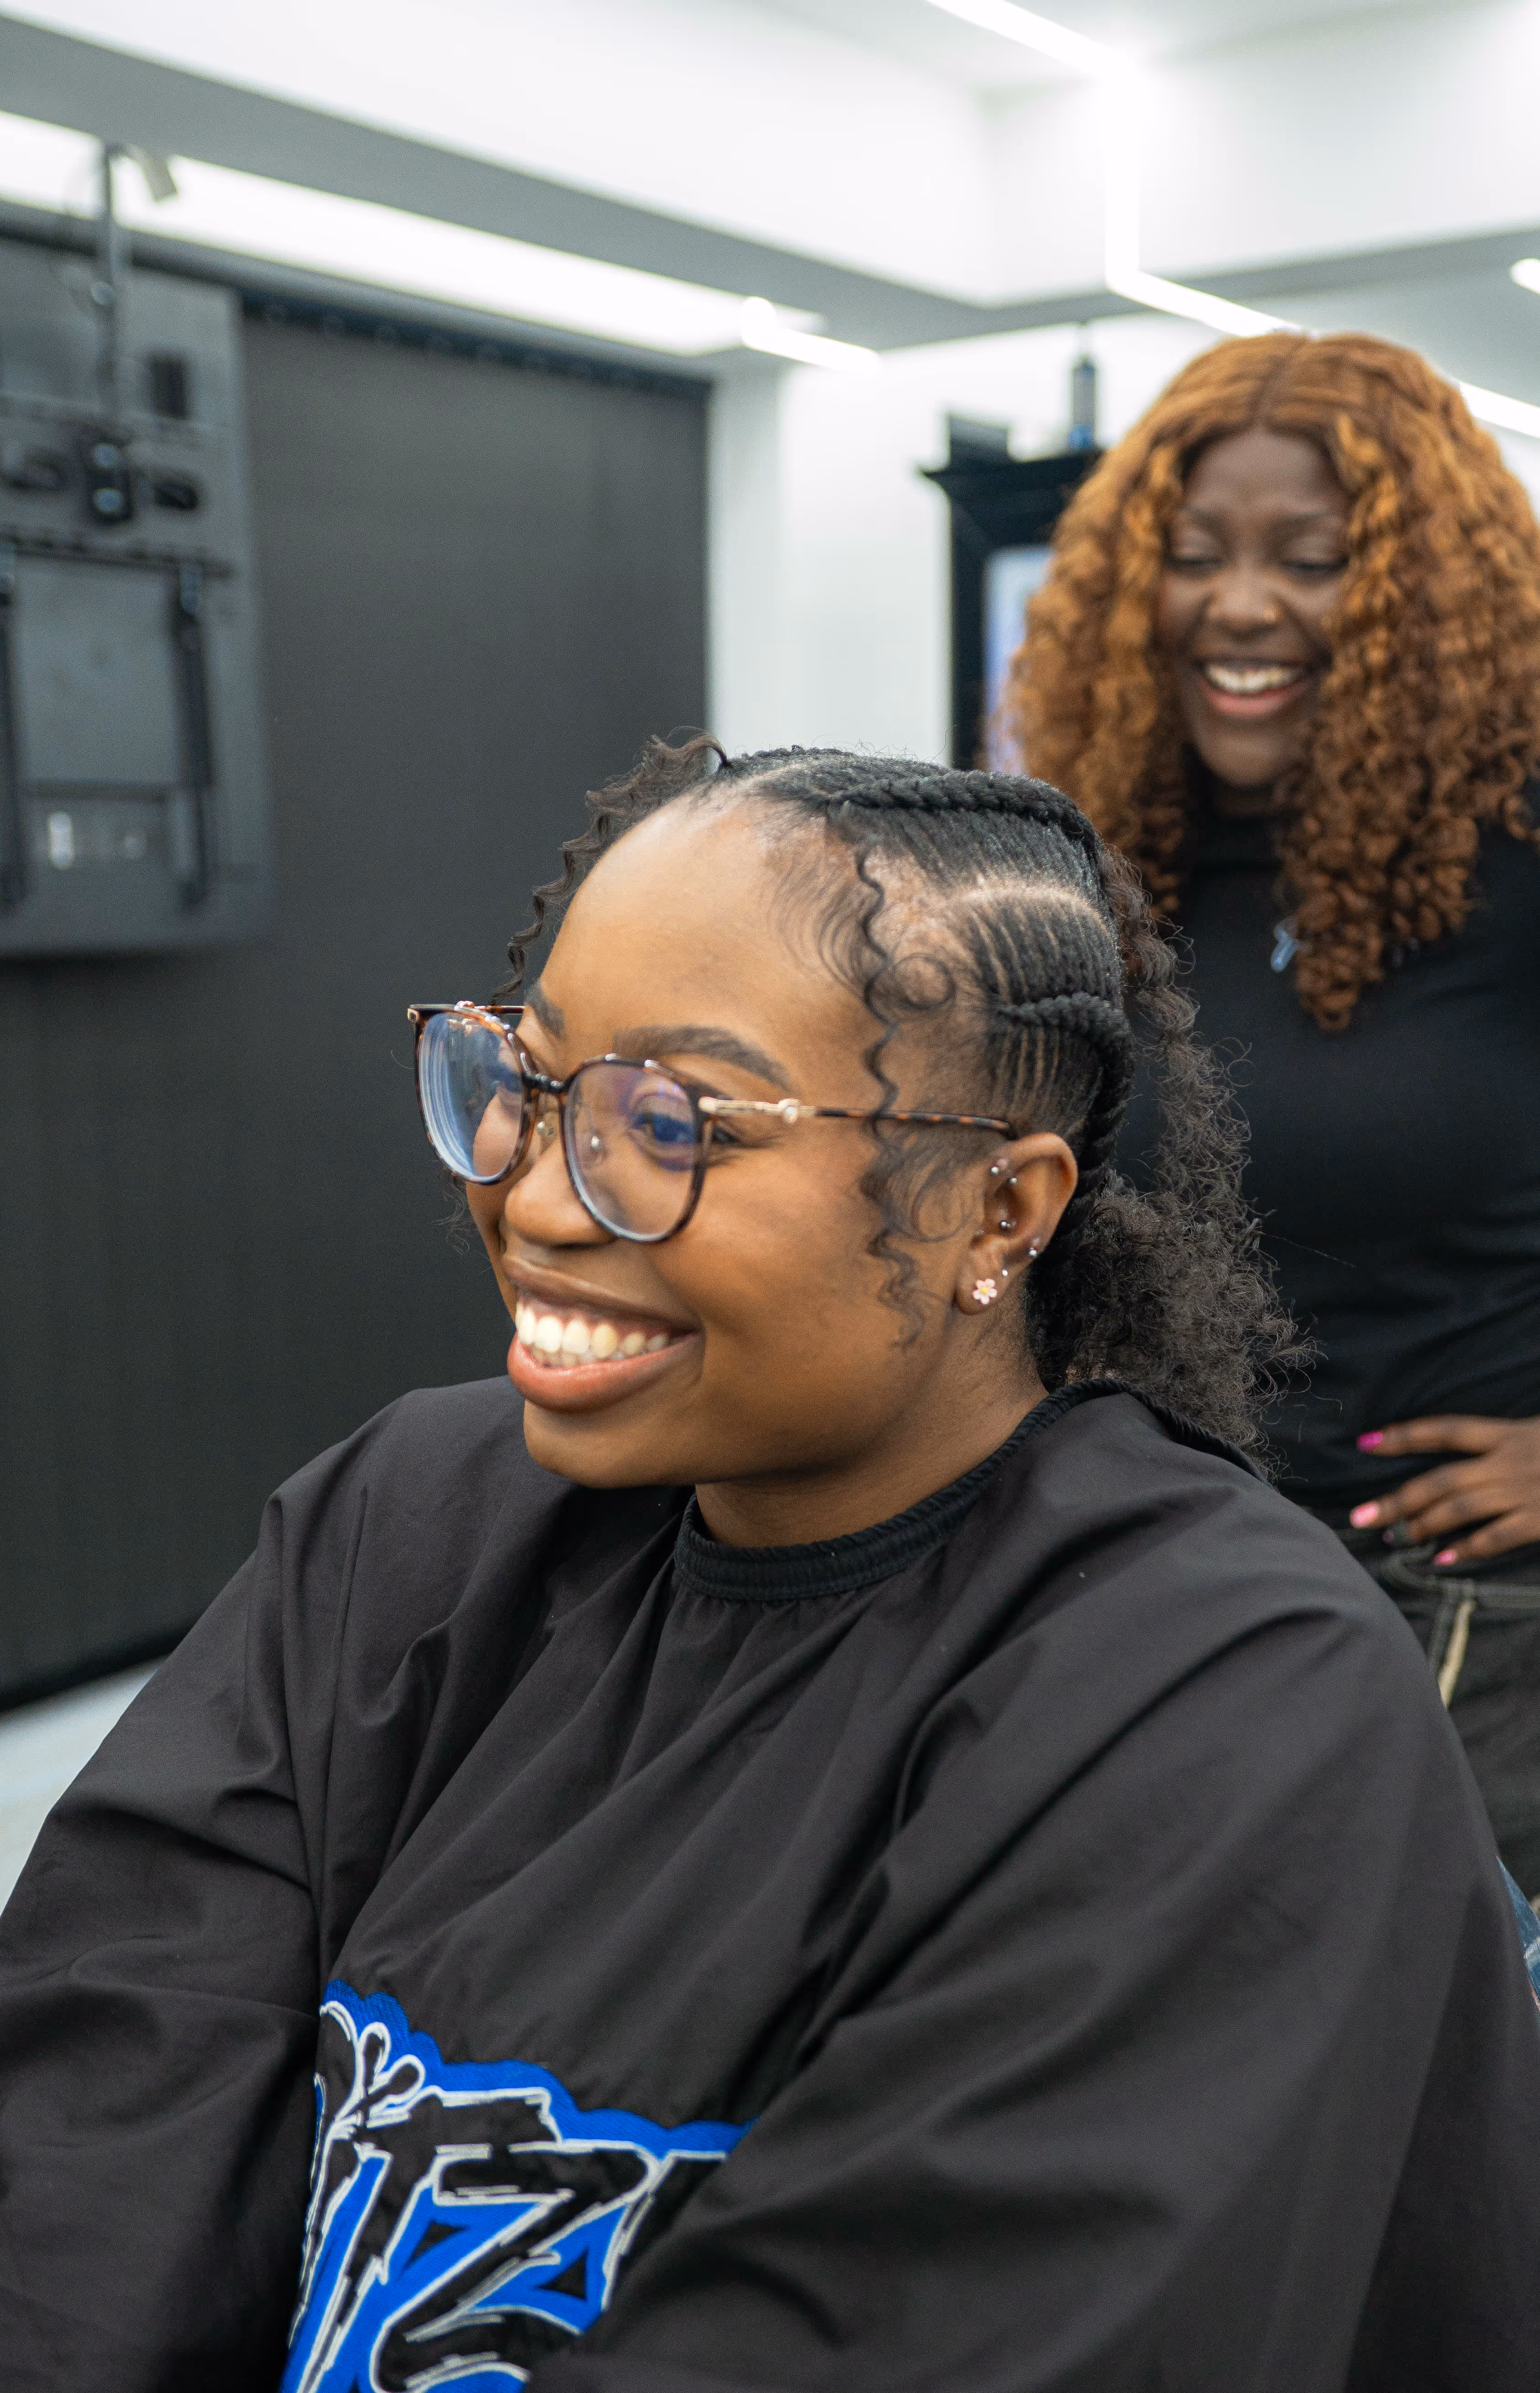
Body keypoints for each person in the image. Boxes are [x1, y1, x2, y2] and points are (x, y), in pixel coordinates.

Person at [1, 737, 1537, 2392]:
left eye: (673, 1123)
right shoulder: (410, 1528)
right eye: (525, 1080)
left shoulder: (1228, 1702)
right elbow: (96, 2127)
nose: (533, 1196)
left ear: (994, 1212)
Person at [1005, 331, 1540, 1894]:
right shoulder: (1090, 874)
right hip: (1146, 1572)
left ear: (1416, 604)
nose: (1240, 606)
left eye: (1311, 560)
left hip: (1459, 1617)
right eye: (1190, 557)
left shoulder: (1519, 865)